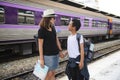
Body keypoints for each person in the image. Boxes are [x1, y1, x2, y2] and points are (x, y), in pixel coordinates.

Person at [38, 9, 64, 80]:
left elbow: (56, 39)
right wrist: (41, 59)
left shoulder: (53, 27)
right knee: (48, 75)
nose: (55, 19)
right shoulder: (41, 30)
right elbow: (40, 45)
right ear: (48, 18)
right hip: (47, 56)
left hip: (55, 54)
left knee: (53, 73)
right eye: (54, 18)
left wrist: (60, 51)